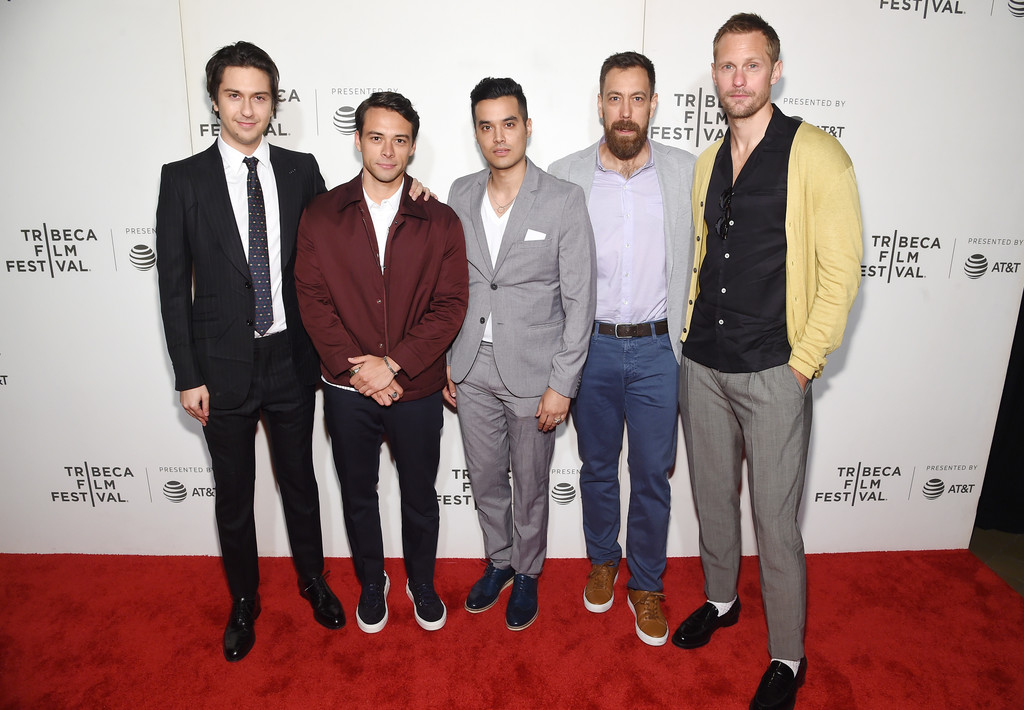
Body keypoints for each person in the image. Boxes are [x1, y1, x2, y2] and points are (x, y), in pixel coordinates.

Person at [672, 14, 863, 710]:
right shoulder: (706, 161)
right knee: (712, 500)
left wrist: (803, 364)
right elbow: (702, 259)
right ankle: (722, 602)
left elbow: (842, 273)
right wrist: (689, 340)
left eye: (752, 65)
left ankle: (788, 654)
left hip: (776, 369)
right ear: (714, 73)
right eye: (727, 66)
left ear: (775, 70)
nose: (738, 79)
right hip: (704, 363)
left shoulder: (816, 155)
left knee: (776, 522)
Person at [156, 41, 343, 662]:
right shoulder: (182, 180)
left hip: (292, 360)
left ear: (274, 102)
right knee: (233, 497)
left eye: (259, 96)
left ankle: (313, 580)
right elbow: (172, 285)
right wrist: (188, 374)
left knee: (300, 484)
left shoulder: (300, 168)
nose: (247, 108)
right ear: (215, 100)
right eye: (234, 95)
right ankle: (244, 602)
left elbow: (338, 238)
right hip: (221, 368)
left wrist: (408, 190)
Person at [295, 91, 468, 635]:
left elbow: (450, 307)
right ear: (357, 141)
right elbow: (313, 300)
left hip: (415, 388)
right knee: (357, 494)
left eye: (399, 139)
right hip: (347, 392)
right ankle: (373, 580)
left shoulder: (440, 220)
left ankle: (421, 582)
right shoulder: (322, 214)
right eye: (376, 137)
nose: (387, 150)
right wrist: (358, 371)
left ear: (413, 146)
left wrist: (392, 365)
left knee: (420, 496)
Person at [549, 52, 695, 647]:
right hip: (594, 349)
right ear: (600, 102)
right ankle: (604, 559)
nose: (625, 111)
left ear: (654, 104)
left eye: (637, 99)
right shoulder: (567, 175)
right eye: (615, 98)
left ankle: (648, 586)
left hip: (661, 349)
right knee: (598, 468)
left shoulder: (688, 172)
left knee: (654, 475)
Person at [444, 77, 596, 631]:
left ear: (527, 126)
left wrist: (564, 381)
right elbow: (447, 286)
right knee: (485, 479)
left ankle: (528, 572)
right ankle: (499, 562)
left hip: (536, 372)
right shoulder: (458, 194)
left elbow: (580, 300)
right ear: (476, 132)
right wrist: (446, 358)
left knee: (531, 485)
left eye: (509, 124)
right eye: (486, 126)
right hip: (471, 366)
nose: (499, 137)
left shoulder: (562, 199)